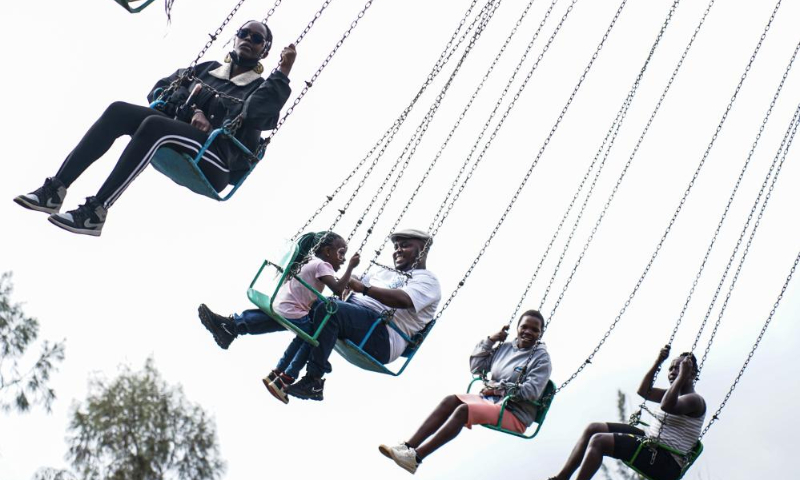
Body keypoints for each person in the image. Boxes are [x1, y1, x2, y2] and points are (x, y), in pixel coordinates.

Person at [14, 20, 295, 236]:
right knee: (117, 110)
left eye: (257, 39)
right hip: (178, 134)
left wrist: (282, 72)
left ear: (265, 50)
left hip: (217, 157)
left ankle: (96, 211)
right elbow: (162, 89)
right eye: (244, 34)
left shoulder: (261, 87)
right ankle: (55, 189)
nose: (248, 40)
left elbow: (257, 114)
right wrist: (196, 109)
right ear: (235, 38)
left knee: (155, 124)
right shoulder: (208, 68)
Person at [379, 310, 552, 475]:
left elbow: (531, 391)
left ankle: (415, 459)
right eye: (524, 327)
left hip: (514, 412)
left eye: (534, 329)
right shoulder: (506, 348)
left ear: (541, 333)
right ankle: (408, 447)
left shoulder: (541, 358)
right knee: (450, 400)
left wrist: (498, 388)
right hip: (491, 401)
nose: (528, 332)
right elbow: (476, 367)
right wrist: (491, 340)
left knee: (464, 410)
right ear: (518, 328)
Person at [198, 231, 359, 403]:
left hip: (280, 303)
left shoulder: (309, 260)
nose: (343, 258)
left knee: (304, 329)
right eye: (341, 253)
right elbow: (338, 289)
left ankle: (231, 327)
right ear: (327, 251)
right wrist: (351, 267)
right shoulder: (322, 265)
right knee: (314, 337)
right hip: (292, 310)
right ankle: (286, 377)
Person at [284, 228, 442, 401]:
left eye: (404, 246)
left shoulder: (427, 280)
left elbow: (403, 300)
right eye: (396, 246)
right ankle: (285, 370)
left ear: (423, 250)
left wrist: (364, 289)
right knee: (311, 303)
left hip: (382, 336)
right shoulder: (384, 271)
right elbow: (352, 281)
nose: (397, 250)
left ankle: (313, 380)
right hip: (357, 318)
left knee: (329, 310)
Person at [547, 347, 706, 480]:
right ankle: (562, 477)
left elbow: (667, 405)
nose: (672, 371)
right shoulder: (672, 394)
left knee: (599, 441)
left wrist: (682, 376)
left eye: (678, 367)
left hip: (666, 462)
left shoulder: (695, 400)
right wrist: (658, 362)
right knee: (593, 428)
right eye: (671, 368)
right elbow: (643, 391)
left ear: (692, 374)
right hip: (653, 441)